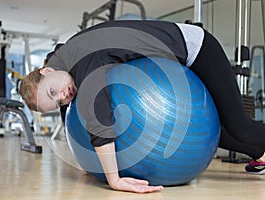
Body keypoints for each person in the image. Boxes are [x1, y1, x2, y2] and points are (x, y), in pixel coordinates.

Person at [19, 20, 265, 193]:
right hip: (169, 63)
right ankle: (261, 154)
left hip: (194, 48)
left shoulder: (84, 60)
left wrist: (114, 180)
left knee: (240, 126)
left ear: (47, 70)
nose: (63, 95)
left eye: (53, 91)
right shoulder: (62, 64)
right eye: (57, 101)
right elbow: (67, 108)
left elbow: (100, 123)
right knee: (208, 132)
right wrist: (84, 158)